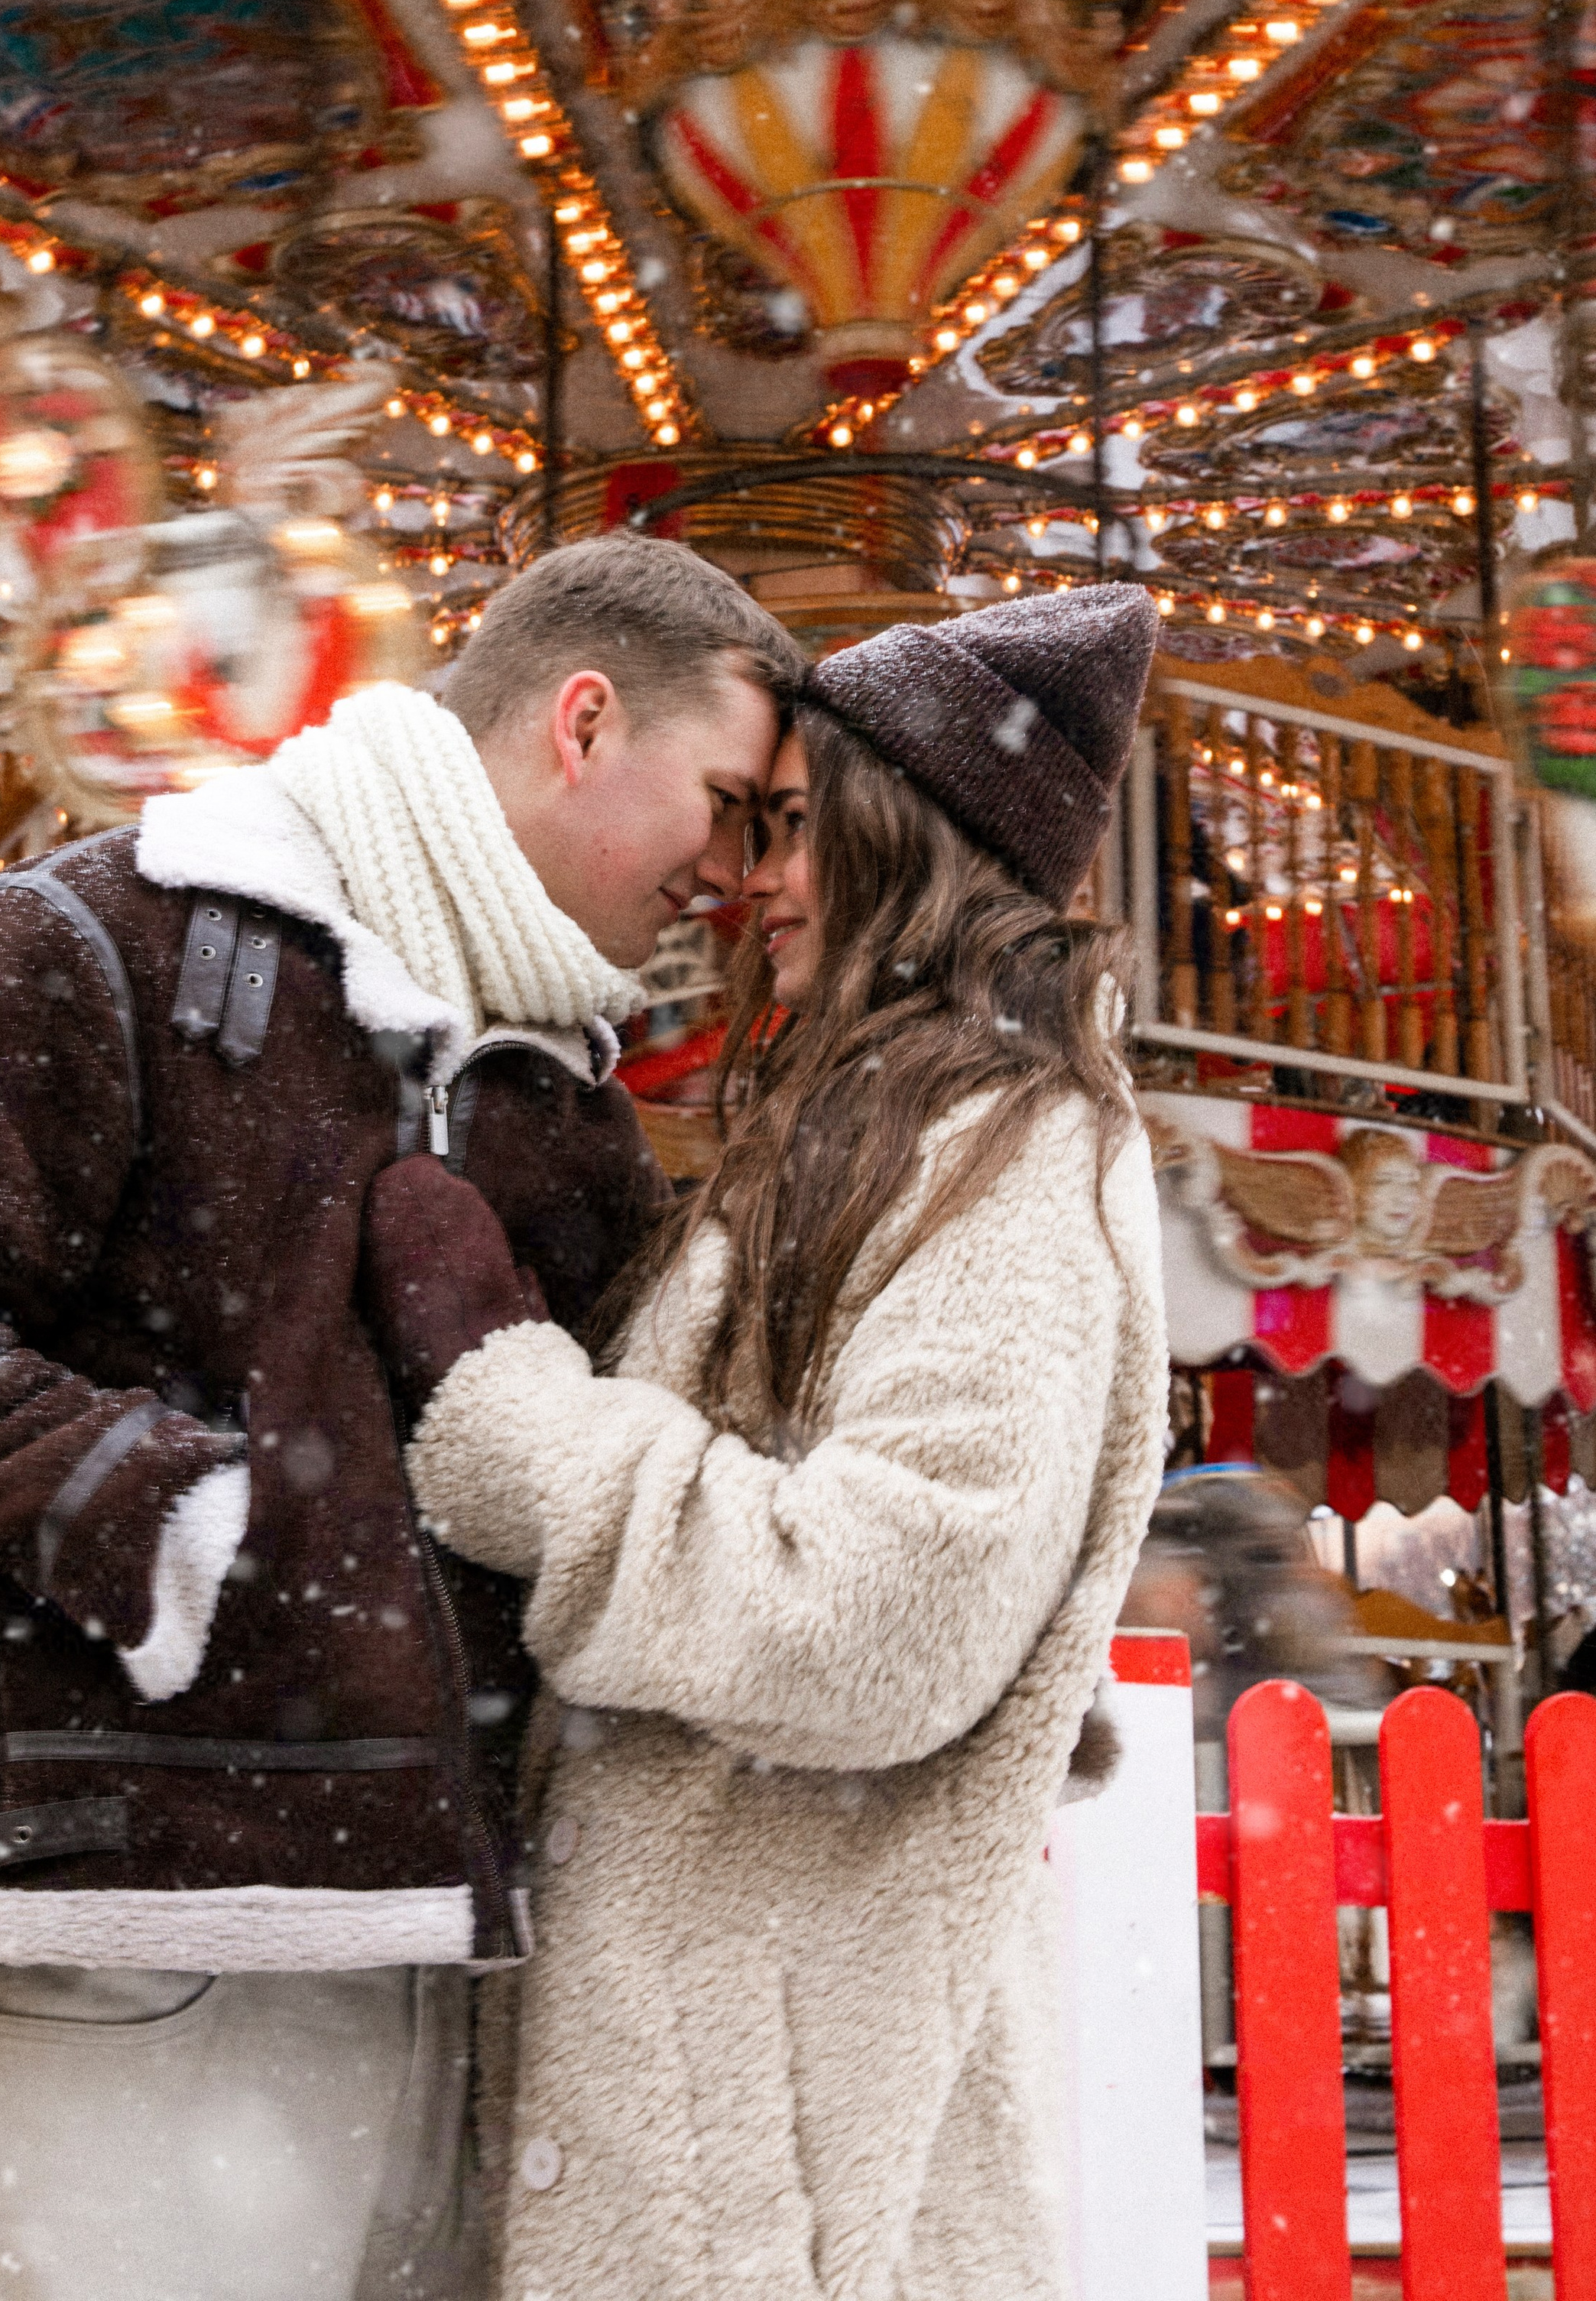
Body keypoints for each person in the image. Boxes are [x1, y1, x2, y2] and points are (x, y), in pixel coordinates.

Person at [0, 531, 799, 2301]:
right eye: (732, 804)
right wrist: (186, 1538)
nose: (742, 874)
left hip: (461, 1958)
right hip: (149, 1941)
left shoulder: (564, 1100)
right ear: (584, 722)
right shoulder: (103, 937)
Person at [358, 580, 1172, 2301]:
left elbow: (876, 1614)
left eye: (795, 830)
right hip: (708, 2115)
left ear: (912, 849)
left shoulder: (1005, 1151)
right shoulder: (867, 1131)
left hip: (772, 2187)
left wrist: (516, 1419)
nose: (754, 881)